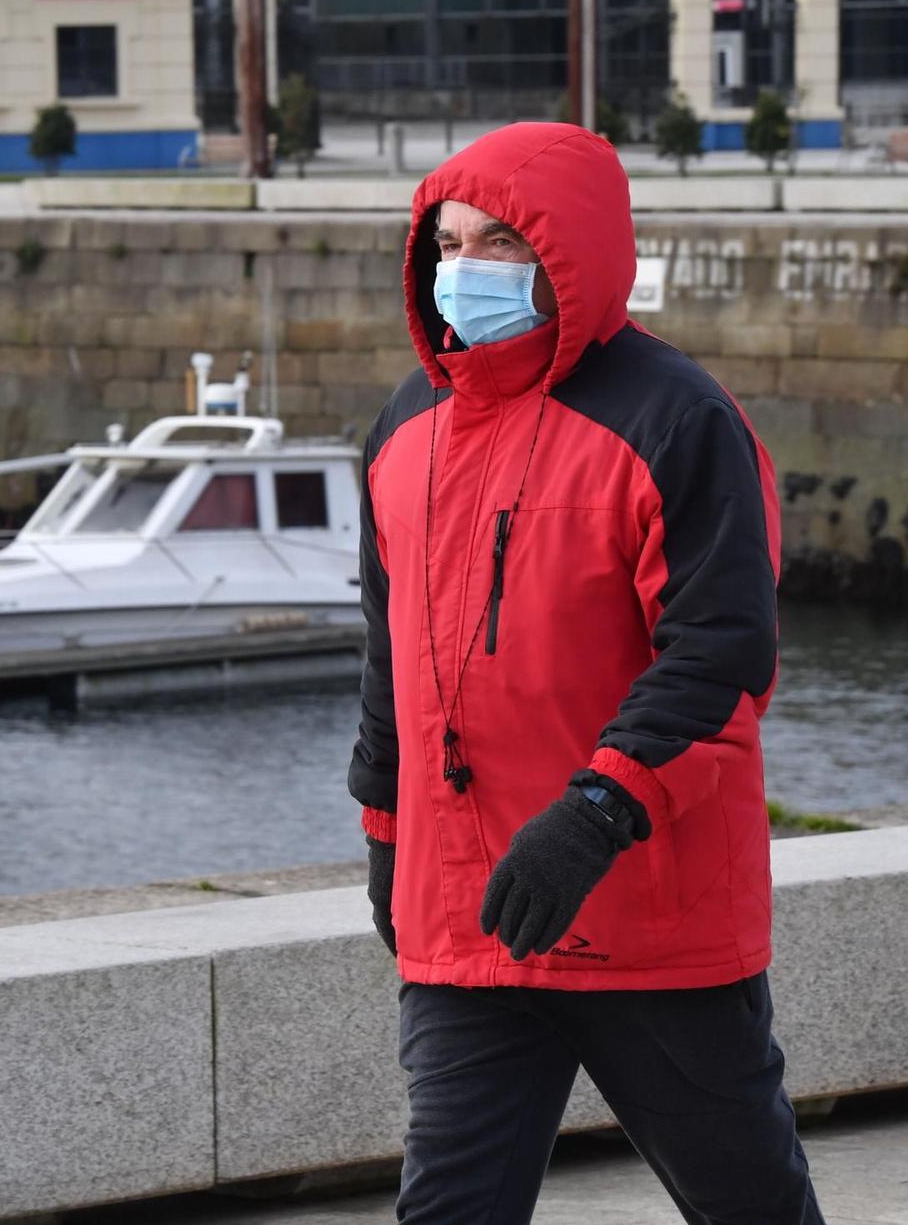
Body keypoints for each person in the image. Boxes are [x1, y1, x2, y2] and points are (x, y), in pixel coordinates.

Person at [348, 121, 823, 1224]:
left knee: (748, 1207)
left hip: (649, 920)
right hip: (468, 923)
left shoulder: (674, 417)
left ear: (575, 254)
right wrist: (385, 836)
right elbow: (389, 663)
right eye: (448, 242)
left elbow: (720, 657)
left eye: (501, 243)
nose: (464, 269)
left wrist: (594, 813)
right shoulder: (402, 429)